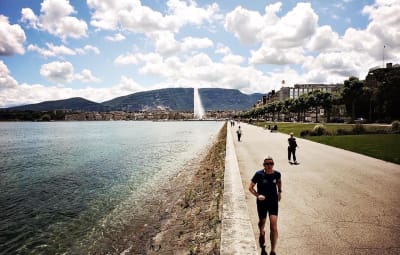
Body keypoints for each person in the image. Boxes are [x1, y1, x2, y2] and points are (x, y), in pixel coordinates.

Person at [249, 156, 282, 255]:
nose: (269, 165)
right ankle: (261, 231)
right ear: (264, 165)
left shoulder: (277, 174)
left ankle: (273, 250)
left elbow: (279, 182)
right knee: (262, 223)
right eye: (267, 164)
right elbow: (250, 187)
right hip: (262, 203)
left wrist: (279, 192)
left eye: (271, 163)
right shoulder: (258, 174)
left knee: (274, 227)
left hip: (273, 202)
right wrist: (258, 195)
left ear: (273, 164)